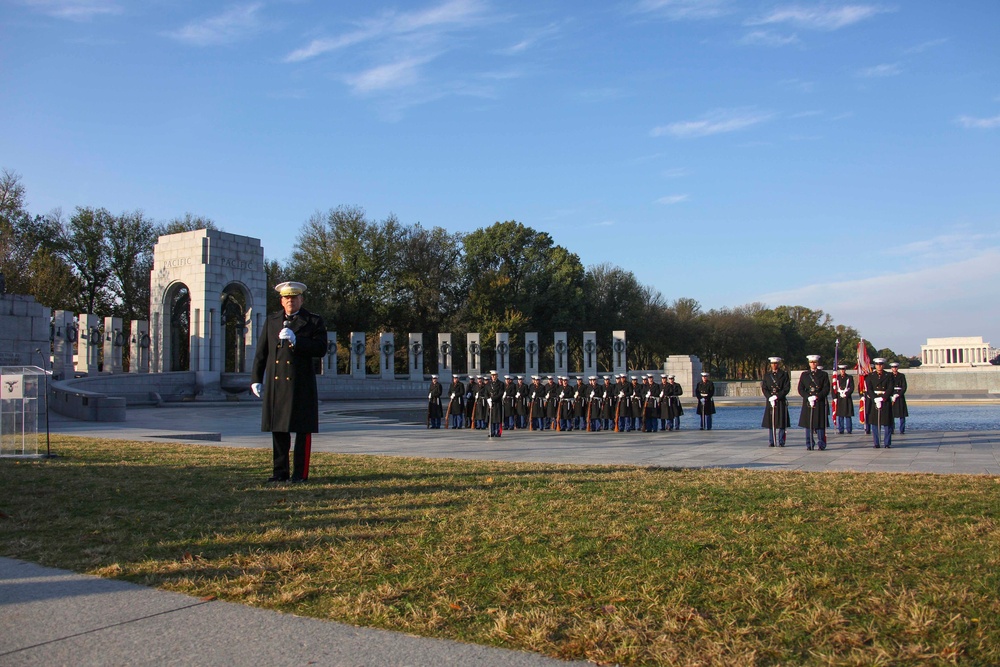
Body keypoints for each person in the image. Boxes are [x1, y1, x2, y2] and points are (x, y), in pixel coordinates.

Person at [250, 281, 327, 483]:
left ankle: (300, 474)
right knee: (279, 430)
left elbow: (320, 349)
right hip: (277, 384)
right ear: (281, 300)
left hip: (301, 384)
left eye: (294, 297)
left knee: (302, 430)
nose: (290, 301)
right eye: (286, 297)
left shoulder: (313, 321)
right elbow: (262, 352)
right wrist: (256, 379)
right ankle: (280, 472)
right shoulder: (272, 320)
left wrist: (297, 341)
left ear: (301, 299)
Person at [797, 354, 830, 450]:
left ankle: (822, 444)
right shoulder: (804, 375)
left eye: (814, 362)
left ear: (817, 363)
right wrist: (808, 397)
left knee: (820, 424)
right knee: (808, 425)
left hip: (819, 402)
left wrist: (817, 396)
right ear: (809, 363)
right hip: (808, 402)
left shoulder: (823, 375)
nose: (813, 364)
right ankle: (809, 444)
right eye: (811, 362)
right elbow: (800, 389)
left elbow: (826, 388)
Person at [761, 356, 790, 447]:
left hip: (780, 401)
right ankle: (772, 441)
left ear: (778, 364)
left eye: (776, 363)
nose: (774, 365)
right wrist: (770, 397)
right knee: (771, 422)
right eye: (772, 364)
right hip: (770, 401)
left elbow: (786, 388)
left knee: (781, 422)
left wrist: (777, 396)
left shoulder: (784, 375)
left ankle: (781, 441)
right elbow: (764, 388)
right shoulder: (767, 375)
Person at [865, 358, 894, 448]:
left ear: (883, 365)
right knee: (874, 423)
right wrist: (875, 398)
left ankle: (887, 443)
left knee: (887, 423)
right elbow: (869, 389)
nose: (879, 366)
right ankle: (876, 443)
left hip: (885, 400)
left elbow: (890, 388)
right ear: (875, 365)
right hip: (875, 400)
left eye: (881, 364)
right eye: (877, 364)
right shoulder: (870, 375)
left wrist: (883, 398)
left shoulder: (889, 375)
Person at [833, 365, 854, 434]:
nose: (842, 371)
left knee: (848, 414)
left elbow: (851, 387)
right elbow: (833, 388)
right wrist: (834, 397)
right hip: (839, 398)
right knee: (840, 415)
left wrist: (847, 394)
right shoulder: (836, 378)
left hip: (846, 398)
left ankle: (849, 429)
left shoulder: (849, 377)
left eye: (843, 369)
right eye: (841, 369)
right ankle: (841, 429)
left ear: (845, 370)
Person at [889, 362, 909, 434]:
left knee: (902, 414)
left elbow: (904, 387)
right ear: (891, 368)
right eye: (893, 367)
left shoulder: (901, 376)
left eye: (896, 367)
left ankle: (902, 429)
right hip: (892, 395)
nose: (894, 368)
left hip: (900, 396)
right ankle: (891, 429)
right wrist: (891, 394)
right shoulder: (889, 376)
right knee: (891, 414)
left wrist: (899, 394)